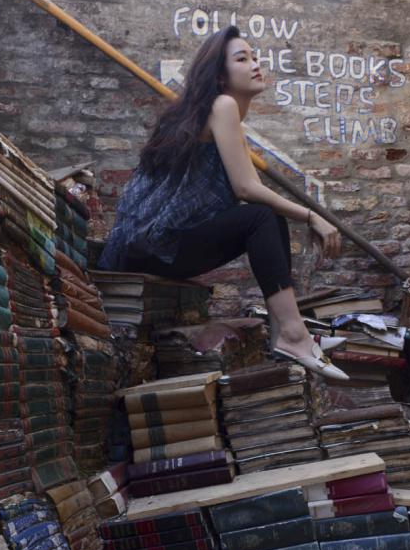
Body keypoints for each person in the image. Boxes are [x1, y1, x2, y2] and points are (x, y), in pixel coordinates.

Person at [97, 25, 348, 380]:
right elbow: (245, 190)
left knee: (269, 219)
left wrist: (297, 216)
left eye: (255, 57)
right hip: (149, 247)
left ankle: (286, 333)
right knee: (260, 218)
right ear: (219, 76)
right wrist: (312, 217)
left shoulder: (223, 113)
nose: (255, 64)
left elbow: (256, 190)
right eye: (242, 59)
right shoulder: (224, 105)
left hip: (160, 244)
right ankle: (295, 335)